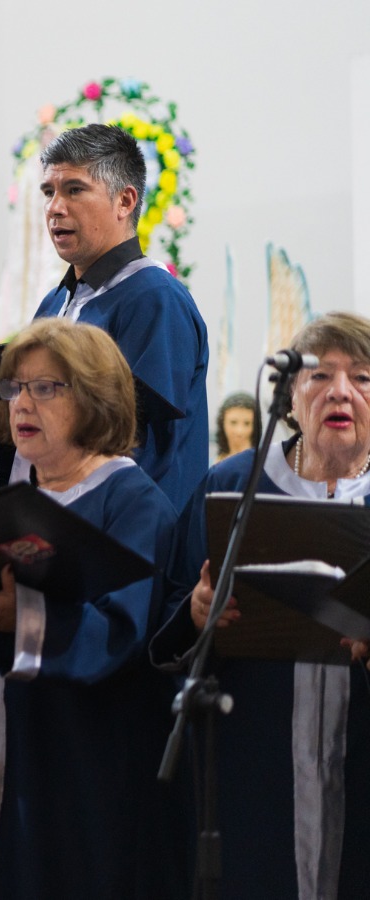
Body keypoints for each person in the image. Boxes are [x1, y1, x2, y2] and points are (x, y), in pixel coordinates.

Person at [0, 317, 186, 899]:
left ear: (96, 397)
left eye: (45, 388)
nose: (22, 403)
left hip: (85, 760)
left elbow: (122, 632)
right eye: (15, 387)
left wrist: (15, 618)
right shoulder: (16, 496)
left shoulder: (133, 501)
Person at [152, 312, 370, 899]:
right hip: (254, 761)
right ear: (292, 395)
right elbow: (168, 609)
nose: (340, 391)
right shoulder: (234, 484)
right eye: (320, 375)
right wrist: (197, 612)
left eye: (362, 378)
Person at [0, 123, 209, 510]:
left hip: (122, 537)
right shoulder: (55, 302)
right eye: (48, 192)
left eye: (74, 190)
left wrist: (15, 428)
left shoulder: (154, 299)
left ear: (125, 201)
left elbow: (132, 441)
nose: (55, 208)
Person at [214, 390, 256, 460]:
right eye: (233, 422)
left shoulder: (261, 463)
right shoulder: (217, 463)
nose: (239, 431)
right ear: (222, 423)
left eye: (247, 423)